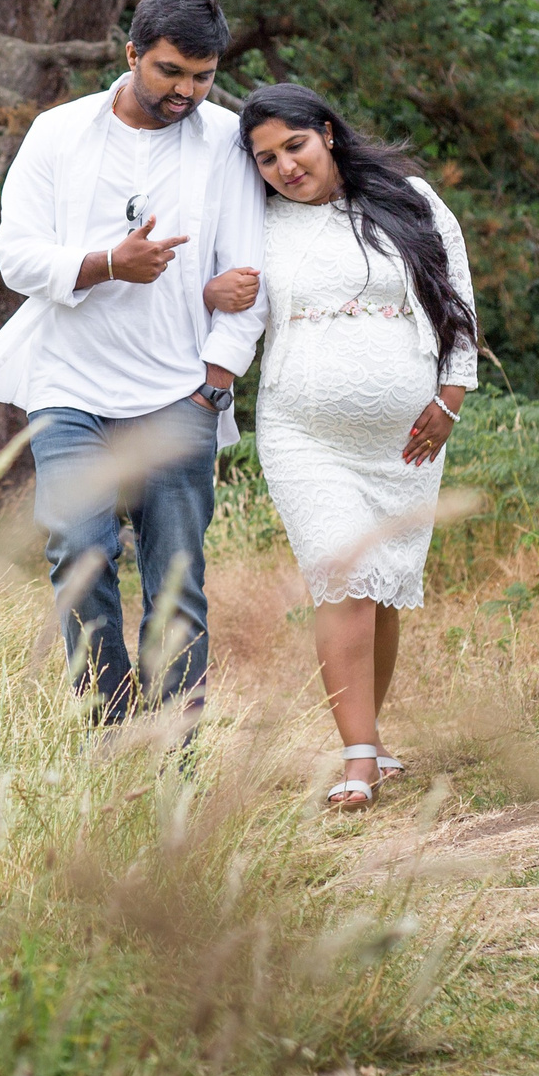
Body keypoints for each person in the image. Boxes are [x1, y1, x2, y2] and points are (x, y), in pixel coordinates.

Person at [0, 0, 268, 725]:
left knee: (177, 584)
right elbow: (15, 259)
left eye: (202, 76)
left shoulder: (226, 140)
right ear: (131, 55)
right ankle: (109, 727)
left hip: (178, 395)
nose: (185, 91)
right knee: (79, 556)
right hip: (71, 390)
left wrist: (212, 388)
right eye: (169, 72)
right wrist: (105, 263)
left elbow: (249, 280)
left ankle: (173, 752)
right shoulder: (59, 134)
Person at [202, 84, 478, 808]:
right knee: (346, 579)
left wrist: (452, 396)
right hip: (304, 435)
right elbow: (230, 308)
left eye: (294, 145)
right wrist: (209, 297)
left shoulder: (410, 200)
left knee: (380, 589)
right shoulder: (257, 226)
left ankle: (372, 740)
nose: (285, 167)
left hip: (407, 440)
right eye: (266, 159)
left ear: (326, 132)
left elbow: (458, 299)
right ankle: (357, 758)